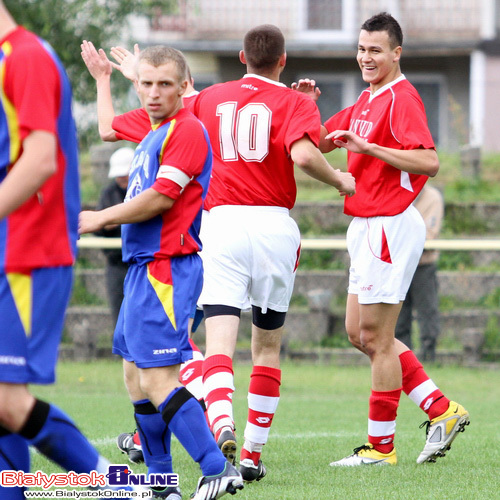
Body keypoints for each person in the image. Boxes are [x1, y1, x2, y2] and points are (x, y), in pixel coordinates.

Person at [109, 25, 355, 483]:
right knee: (266, 345)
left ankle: (219, 422)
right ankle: (252, 456)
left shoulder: (209, 97)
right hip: (273, 226)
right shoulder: (295, 101)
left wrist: (131, 76)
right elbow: (302, 153)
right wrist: (340, 180)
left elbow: (173, 99)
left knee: (216, 341)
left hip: (219, 224)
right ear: (282, 61)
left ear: (242, 56)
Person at [79, 45, 244, 500]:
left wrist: (99, 217)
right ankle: (160, 483)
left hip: (165, 270)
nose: (153, 93)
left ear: (184, 87)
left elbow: (162, 197)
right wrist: (103, 80)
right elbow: (109, 127)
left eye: (164, 84)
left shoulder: (187, 130)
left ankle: (217, 468)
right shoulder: (156, 128)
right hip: (141, 269)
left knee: (158, 379)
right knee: (134, 377)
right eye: (146, 84)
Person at [0, 3, 147, 499]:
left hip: (27, 255)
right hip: (9, 252)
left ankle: (119, 485)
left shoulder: (24, 58)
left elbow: (40, 161)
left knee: (6, 400)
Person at [314, 12, 469, 466]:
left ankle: (381, 449)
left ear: (396, 53)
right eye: (362, 49)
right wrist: (304, 104)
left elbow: (429, 162)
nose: (366, 57)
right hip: (365, 224)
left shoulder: (402, 97)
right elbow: (322, 140)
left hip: (390, 223)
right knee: (357, 334)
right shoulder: (367, 98)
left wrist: (369, 149)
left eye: (375, 50)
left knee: (377, 338)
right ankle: (441, 410)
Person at [395, 183, 444, 362]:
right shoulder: (395, 191)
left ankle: (429, 355)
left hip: (423, 265)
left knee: (427, 311)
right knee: (398, 316)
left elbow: (429, 234)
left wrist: (399, 240)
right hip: (399, 265)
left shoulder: (432, 197)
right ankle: (402, 360)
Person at [94, 146, 134, 327]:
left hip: (140, 263)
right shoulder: (108, 194)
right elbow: (96, 225)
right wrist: (107, 223)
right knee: (119, 313)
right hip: (115, 263)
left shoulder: (144, 190)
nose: (121, 178)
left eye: (124, 174)